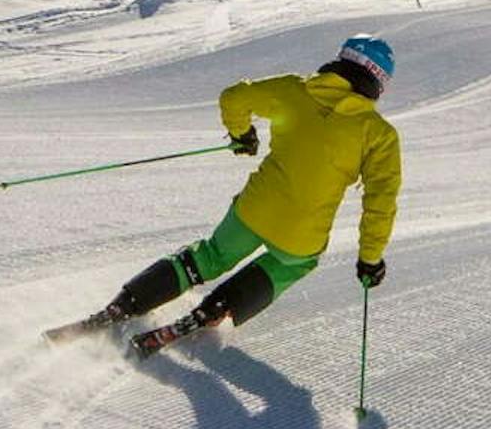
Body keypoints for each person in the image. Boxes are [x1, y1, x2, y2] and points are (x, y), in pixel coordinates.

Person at [52, 35, 402, 355]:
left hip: (253, 209)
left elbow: (234, 96)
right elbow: (381, 202)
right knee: (291, 264)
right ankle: (213, 310)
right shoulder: (378, 134)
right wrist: (370, 258)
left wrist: (243, 134)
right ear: (377, 83)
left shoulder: (294, 90)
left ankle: (125, 303)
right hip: (301, 233)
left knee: (210, 256)